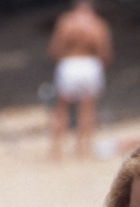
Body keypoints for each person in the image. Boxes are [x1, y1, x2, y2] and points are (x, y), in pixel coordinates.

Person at [48, 1, 113, 158]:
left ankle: (56, 150)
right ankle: (83, 149)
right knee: (88, 108)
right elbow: (106, 53)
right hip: (90, 64)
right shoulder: (97, 24)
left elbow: (55, 49)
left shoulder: (66, 22)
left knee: (62, 108)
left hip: (69, 63)